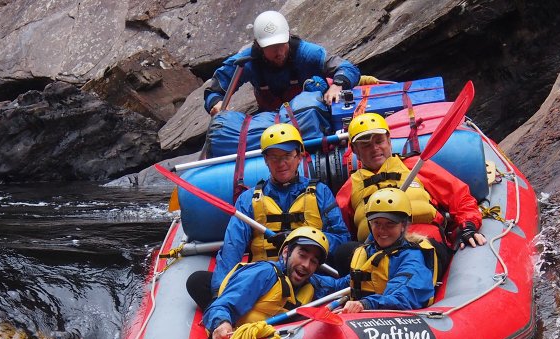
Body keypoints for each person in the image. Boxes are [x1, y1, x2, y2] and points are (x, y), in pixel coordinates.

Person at [186, 123, 350, 310]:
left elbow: (341, 238)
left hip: (307, 276)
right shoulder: (248, 200)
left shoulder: (321, 192)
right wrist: (219, 294)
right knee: (198, 282)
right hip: (261, 280)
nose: (281, 164)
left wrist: (301, 242)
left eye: (287, 155)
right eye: (274, 157)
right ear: (265, 160)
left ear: (299, 156)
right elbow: (233, 247)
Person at [336, 112, 487, 256]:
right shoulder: (349, 188)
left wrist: (467, 226)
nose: (375, 148)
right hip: (378, 254)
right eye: (366, 145)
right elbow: (341, 230)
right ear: (355, 150)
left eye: (379, 141)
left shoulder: (416, 166)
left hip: (425, 243)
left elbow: (460, 197)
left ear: (388, 140)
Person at [203, 10, 360, 114]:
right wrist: (215, 103)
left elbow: (348, 68)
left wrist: (337, 85)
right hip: (273, 122)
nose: (278, 52)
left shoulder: (308, 53)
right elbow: (214, 90)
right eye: (271, 47)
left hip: (313, 116)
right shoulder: (247, 61)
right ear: (259, 45)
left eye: (281, 44)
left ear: (288, 37)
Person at [204, 227, 332, 339]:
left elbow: (342, 284)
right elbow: (221, 306)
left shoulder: (311, 282)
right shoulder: (265, 273)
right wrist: (222, 323)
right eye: (302, 255)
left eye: (313, 262)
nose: (306, 265)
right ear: (286, 252)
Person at [331, 188, 437, 313]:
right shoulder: (371, 251)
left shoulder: (412, 257)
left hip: (391, 321)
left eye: (390, 224)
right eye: (377, 223)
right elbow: (342, 284)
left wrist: (366, 304)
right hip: (364, 317)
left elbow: (404, 295)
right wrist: (313, 280)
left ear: (403, 225)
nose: (382, 230)